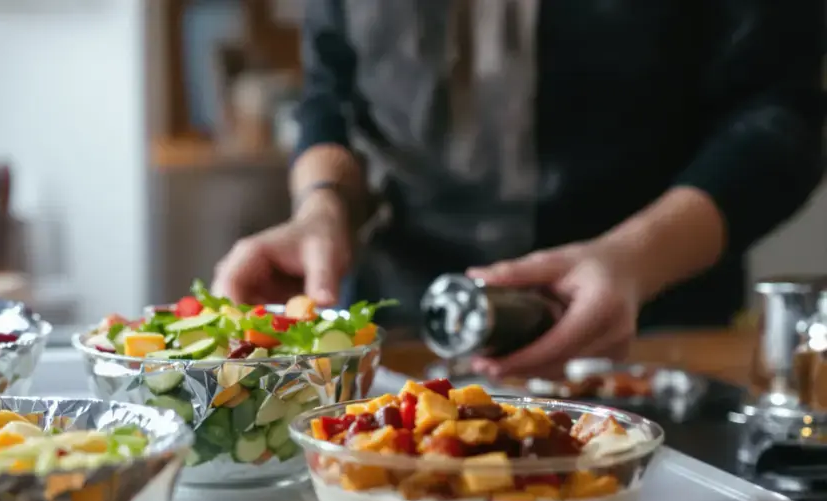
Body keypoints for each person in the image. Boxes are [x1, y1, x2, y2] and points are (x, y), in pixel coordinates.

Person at [212, 0, 824, 378]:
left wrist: (636, 260)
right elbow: (332, 93)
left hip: (651, 342)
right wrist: (322, 206)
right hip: (399, 348)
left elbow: (784, 114)